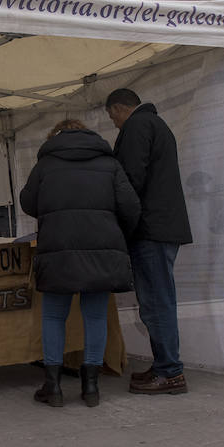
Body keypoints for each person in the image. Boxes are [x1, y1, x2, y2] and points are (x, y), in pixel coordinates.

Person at [20, 119, 140, 407]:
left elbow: (28, 203)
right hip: (101, 249)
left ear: (54, 137)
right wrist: (115, 233)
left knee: (53, 316)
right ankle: (91, 387)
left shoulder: (46, 165)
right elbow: (131, 206)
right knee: (95, 316)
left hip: (57, 249)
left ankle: (53, 387)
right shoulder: (109, 164)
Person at [104, 88, 192, 395]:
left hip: (150, 230)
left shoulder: (137, 126)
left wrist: (117, 220)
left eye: (112, 116)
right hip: (164, 227)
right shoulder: (158, 124)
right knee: (159, 299)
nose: (113, 123)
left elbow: (129, 180)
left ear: (118, 108)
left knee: (156, 302)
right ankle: (164, 365)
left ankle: (170, 372)